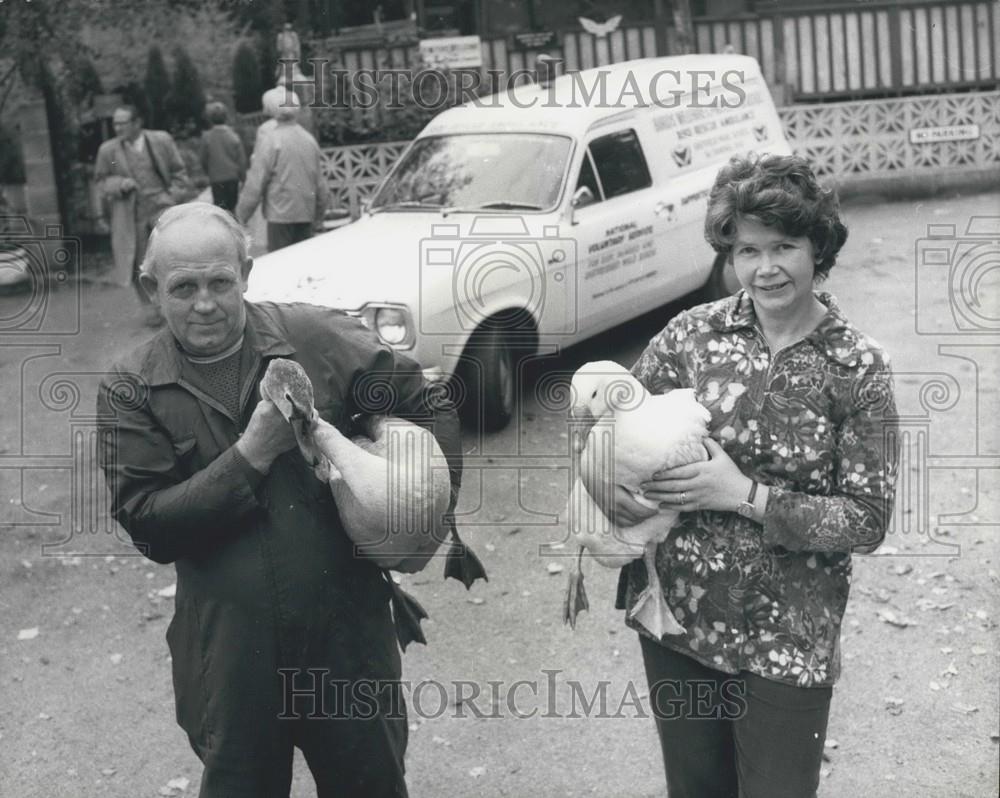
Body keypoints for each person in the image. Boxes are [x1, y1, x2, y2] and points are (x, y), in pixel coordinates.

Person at [96, 203, 462, 797]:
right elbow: (150, 526)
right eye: (182, 287)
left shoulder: (316, 339)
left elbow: (427, 403)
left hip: (348, 641)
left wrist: (429, 521)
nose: (205, 304)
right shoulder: (130, 387)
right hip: (229, 653)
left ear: (247, 270)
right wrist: (252, 454)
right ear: (150, 287)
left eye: (220, 282)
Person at [584, 153, 898, 798]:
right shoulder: (691, 336)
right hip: (679, 617)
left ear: (819, 247)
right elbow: (611, 434)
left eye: (785, 246)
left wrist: (745, 495)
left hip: (791, 630)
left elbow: (866, 522)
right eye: (748, 250)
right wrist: (606, 492)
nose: (765, 268)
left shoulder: (857, 366)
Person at [94, 104, 193, 325]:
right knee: (139, 263)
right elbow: (100, 182)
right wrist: (120, 183)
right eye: (115, 123)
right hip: (132, 216)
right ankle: (150, 308)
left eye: (123, 123)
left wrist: (172, 197)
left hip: (162, 209)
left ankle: (177, 305)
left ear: (137, 123)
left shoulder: (161, 140)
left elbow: (180, 173)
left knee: (173, 257)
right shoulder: (108, 151)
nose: (118, 128)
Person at [236, 89, 328, 252]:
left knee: (280, 264)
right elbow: (320, 183)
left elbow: (256, 183)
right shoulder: (309, 139)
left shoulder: (271, 141)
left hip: (280, 216)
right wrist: (319, 215)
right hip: (306, 214)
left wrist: (241, 216)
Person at [198, 102, 247, 213]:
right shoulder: (233, 136)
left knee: (220, 210)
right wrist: (243, 178)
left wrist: (209, 171)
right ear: (226, 117)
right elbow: (241, 161)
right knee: (232, 208)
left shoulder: (207, 137)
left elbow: (203, 159)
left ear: (210, 118)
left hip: (216, 179)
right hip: (232, 178)